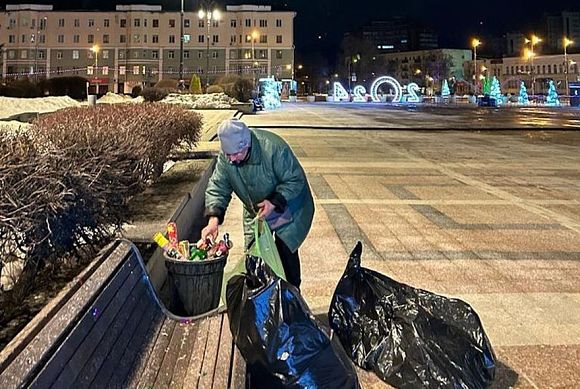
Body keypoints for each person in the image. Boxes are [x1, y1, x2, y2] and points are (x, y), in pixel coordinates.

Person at [198, 119, 314, 288]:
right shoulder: (228, 157)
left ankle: (292, 295)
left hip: (286, 203)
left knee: (285, 250)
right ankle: (262, 297)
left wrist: (273, 202)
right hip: (256, 210)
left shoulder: (274, 148)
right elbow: (218, 186)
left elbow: (295, 180)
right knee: (254, 254)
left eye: (236, 154)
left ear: (247, 145)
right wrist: (213, 221)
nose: (231, 159)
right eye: (227, 154)